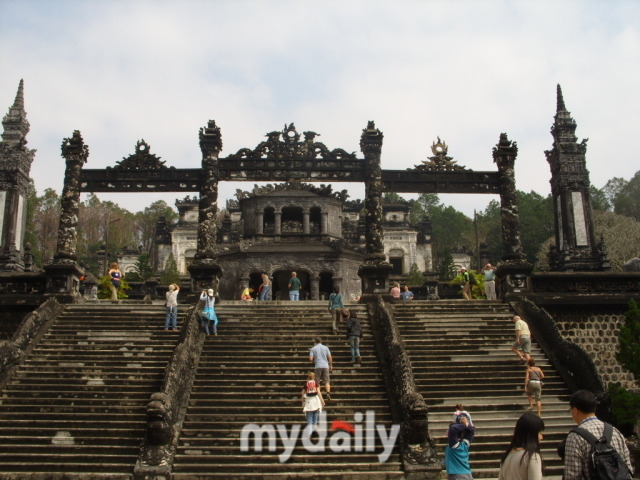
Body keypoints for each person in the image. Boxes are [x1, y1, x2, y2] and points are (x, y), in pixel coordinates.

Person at [562, 389, 632, 480]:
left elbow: (572, 476)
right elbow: (628, 468)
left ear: (575, 410)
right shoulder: (615, 432)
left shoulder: (575, 437)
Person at [498, 413, 545, 480]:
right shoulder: (532, 457)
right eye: (540, 433)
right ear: (532, 434)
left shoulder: (507, 456)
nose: (541, 437)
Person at [444, 413, 475, 479]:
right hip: (468, 474)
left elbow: (453, 429)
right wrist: (466, 424)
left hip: (457, 475)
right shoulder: (465, 444)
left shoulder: (453, 445)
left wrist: (464, 424)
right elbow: (471, 431)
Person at [301, 371, 325, 438]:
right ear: (314, 377)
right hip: (315, 401)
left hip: (309, 402)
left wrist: (303, 401)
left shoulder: (306, 384)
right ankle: (315, 431)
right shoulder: (316, 383)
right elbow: (319, 393)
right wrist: (322, 401)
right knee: (315, 418)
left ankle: (309, 433)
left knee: (309, 419)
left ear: (308, 377)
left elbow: (303, 393)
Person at [309, 336, 333, 401]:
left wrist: (314, 360)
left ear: (315, 342)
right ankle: (328, 393)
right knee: (327, 381)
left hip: (317, 366)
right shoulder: (326, 348)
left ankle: (318, 394)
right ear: (321, 341)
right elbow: (330, 357)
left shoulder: (313, 349)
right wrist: (330, 365)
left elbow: (311, 359)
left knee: (317, 382)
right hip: (325, 365)